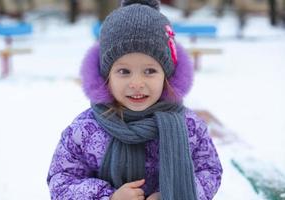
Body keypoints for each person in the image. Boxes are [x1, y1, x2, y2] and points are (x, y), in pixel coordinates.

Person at [47, 0, 223, 199]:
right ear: (106, 77)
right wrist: (109, 197)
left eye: (150, 71)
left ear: (167, 76)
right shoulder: (86, 129)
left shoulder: (188, 126)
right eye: (124, 71)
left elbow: (209, 170)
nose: (137, 83)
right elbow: (62, 180)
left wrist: (172, 194)